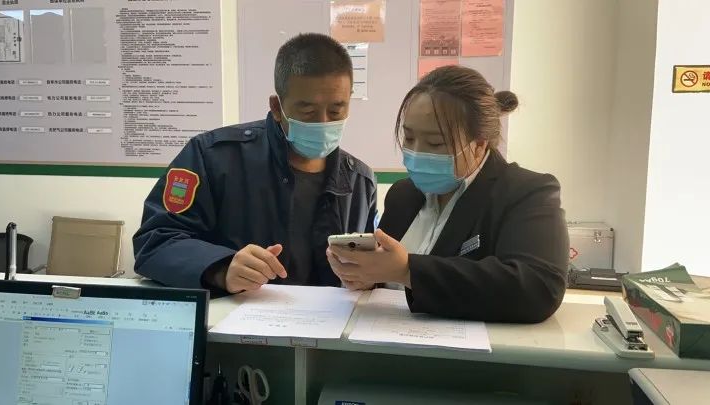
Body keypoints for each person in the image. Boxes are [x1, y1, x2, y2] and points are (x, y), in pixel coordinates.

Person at [134, 33, 377, 293]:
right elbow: (155, 241)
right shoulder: (212, 157)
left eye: (337, 111)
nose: (323, 122)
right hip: (235, 315)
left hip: (330, 319)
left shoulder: (360, 182)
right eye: (308, 112)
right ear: (277, 107)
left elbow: (372, 267)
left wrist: (370, 277)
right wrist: (221, 269)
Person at [328, 66, 568, 323]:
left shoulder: (527, 192)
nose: (417, 152)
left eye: (436, 143)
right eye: (409, 138)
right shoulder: (403, 195)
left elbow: (538, 288)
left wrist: (408, 271)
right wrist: (366, 276)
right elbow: (387, 279)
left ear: (479, 144)